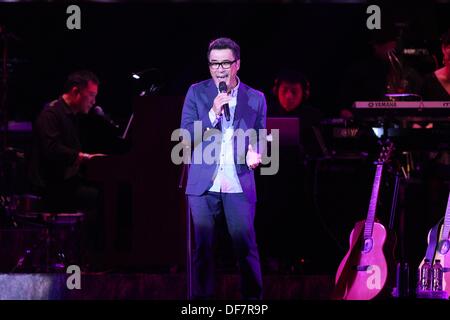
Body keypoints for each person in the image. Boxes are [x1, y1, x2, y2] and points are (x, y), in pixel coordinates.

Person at [180, 37, 266, 300]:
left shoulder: (256, 98)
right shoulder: (197, 92)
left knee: (244, 245)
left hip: (238, 181)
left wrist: (255, 152)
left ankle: (253, 302)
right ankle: (201, 304)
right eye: (214, 63)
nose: (219, 69)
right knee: (203, 248)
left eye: (225, 63)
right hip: (203, 184)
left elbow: (260, 137)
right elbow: (185, 138)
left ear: (237, 64)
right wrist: (211, 115)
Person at [29, 70, 104, 267]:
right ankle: (91, 259)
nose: (93, 102)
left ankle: (95, 256)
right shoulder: (51, 114)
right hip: (51, 186)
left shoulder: (72, 116)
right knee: (97, 197)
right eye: (91, 96)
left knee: (104, 191)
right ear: (75, 91)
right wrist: (81, 157)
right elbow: (51, 150)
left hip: (65, 182)